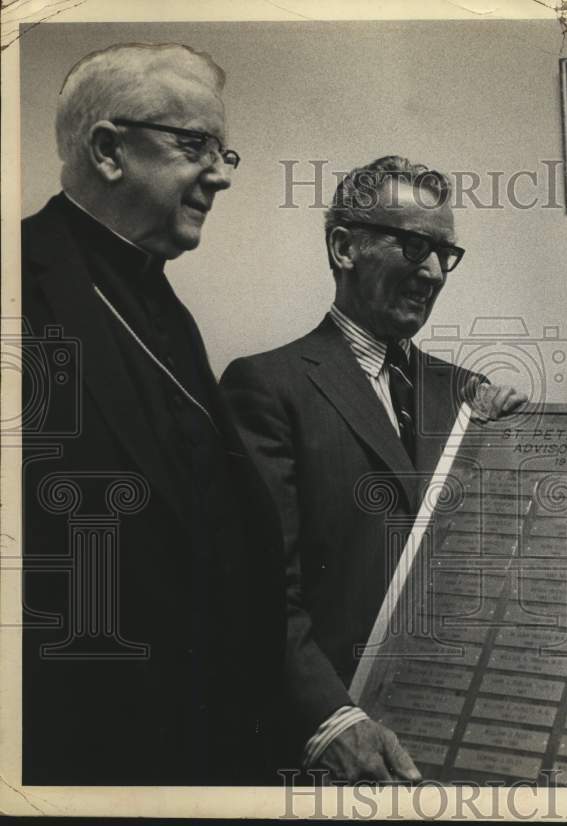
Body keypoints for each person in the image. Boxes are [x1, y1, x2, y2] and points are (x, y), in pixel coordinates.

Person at [20, 43, 284, 784]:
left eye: (225, 150)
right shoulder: (17, 286)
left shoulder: (165, 302)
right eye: (196, 146)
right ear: (108, 150)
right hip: (81, 754)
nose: (223, 175)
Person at [220, 156, 526, 782]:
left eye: (447, 253)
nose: (435, 272)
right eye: (416, 246)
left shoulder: (471, 397)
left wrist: (523, 450)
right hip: (332, 752)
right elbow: (257, 591)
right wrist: (330, 720)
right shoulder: (266, 386)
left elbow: (499, 573)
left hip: (458, 744)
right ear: (343, 247)